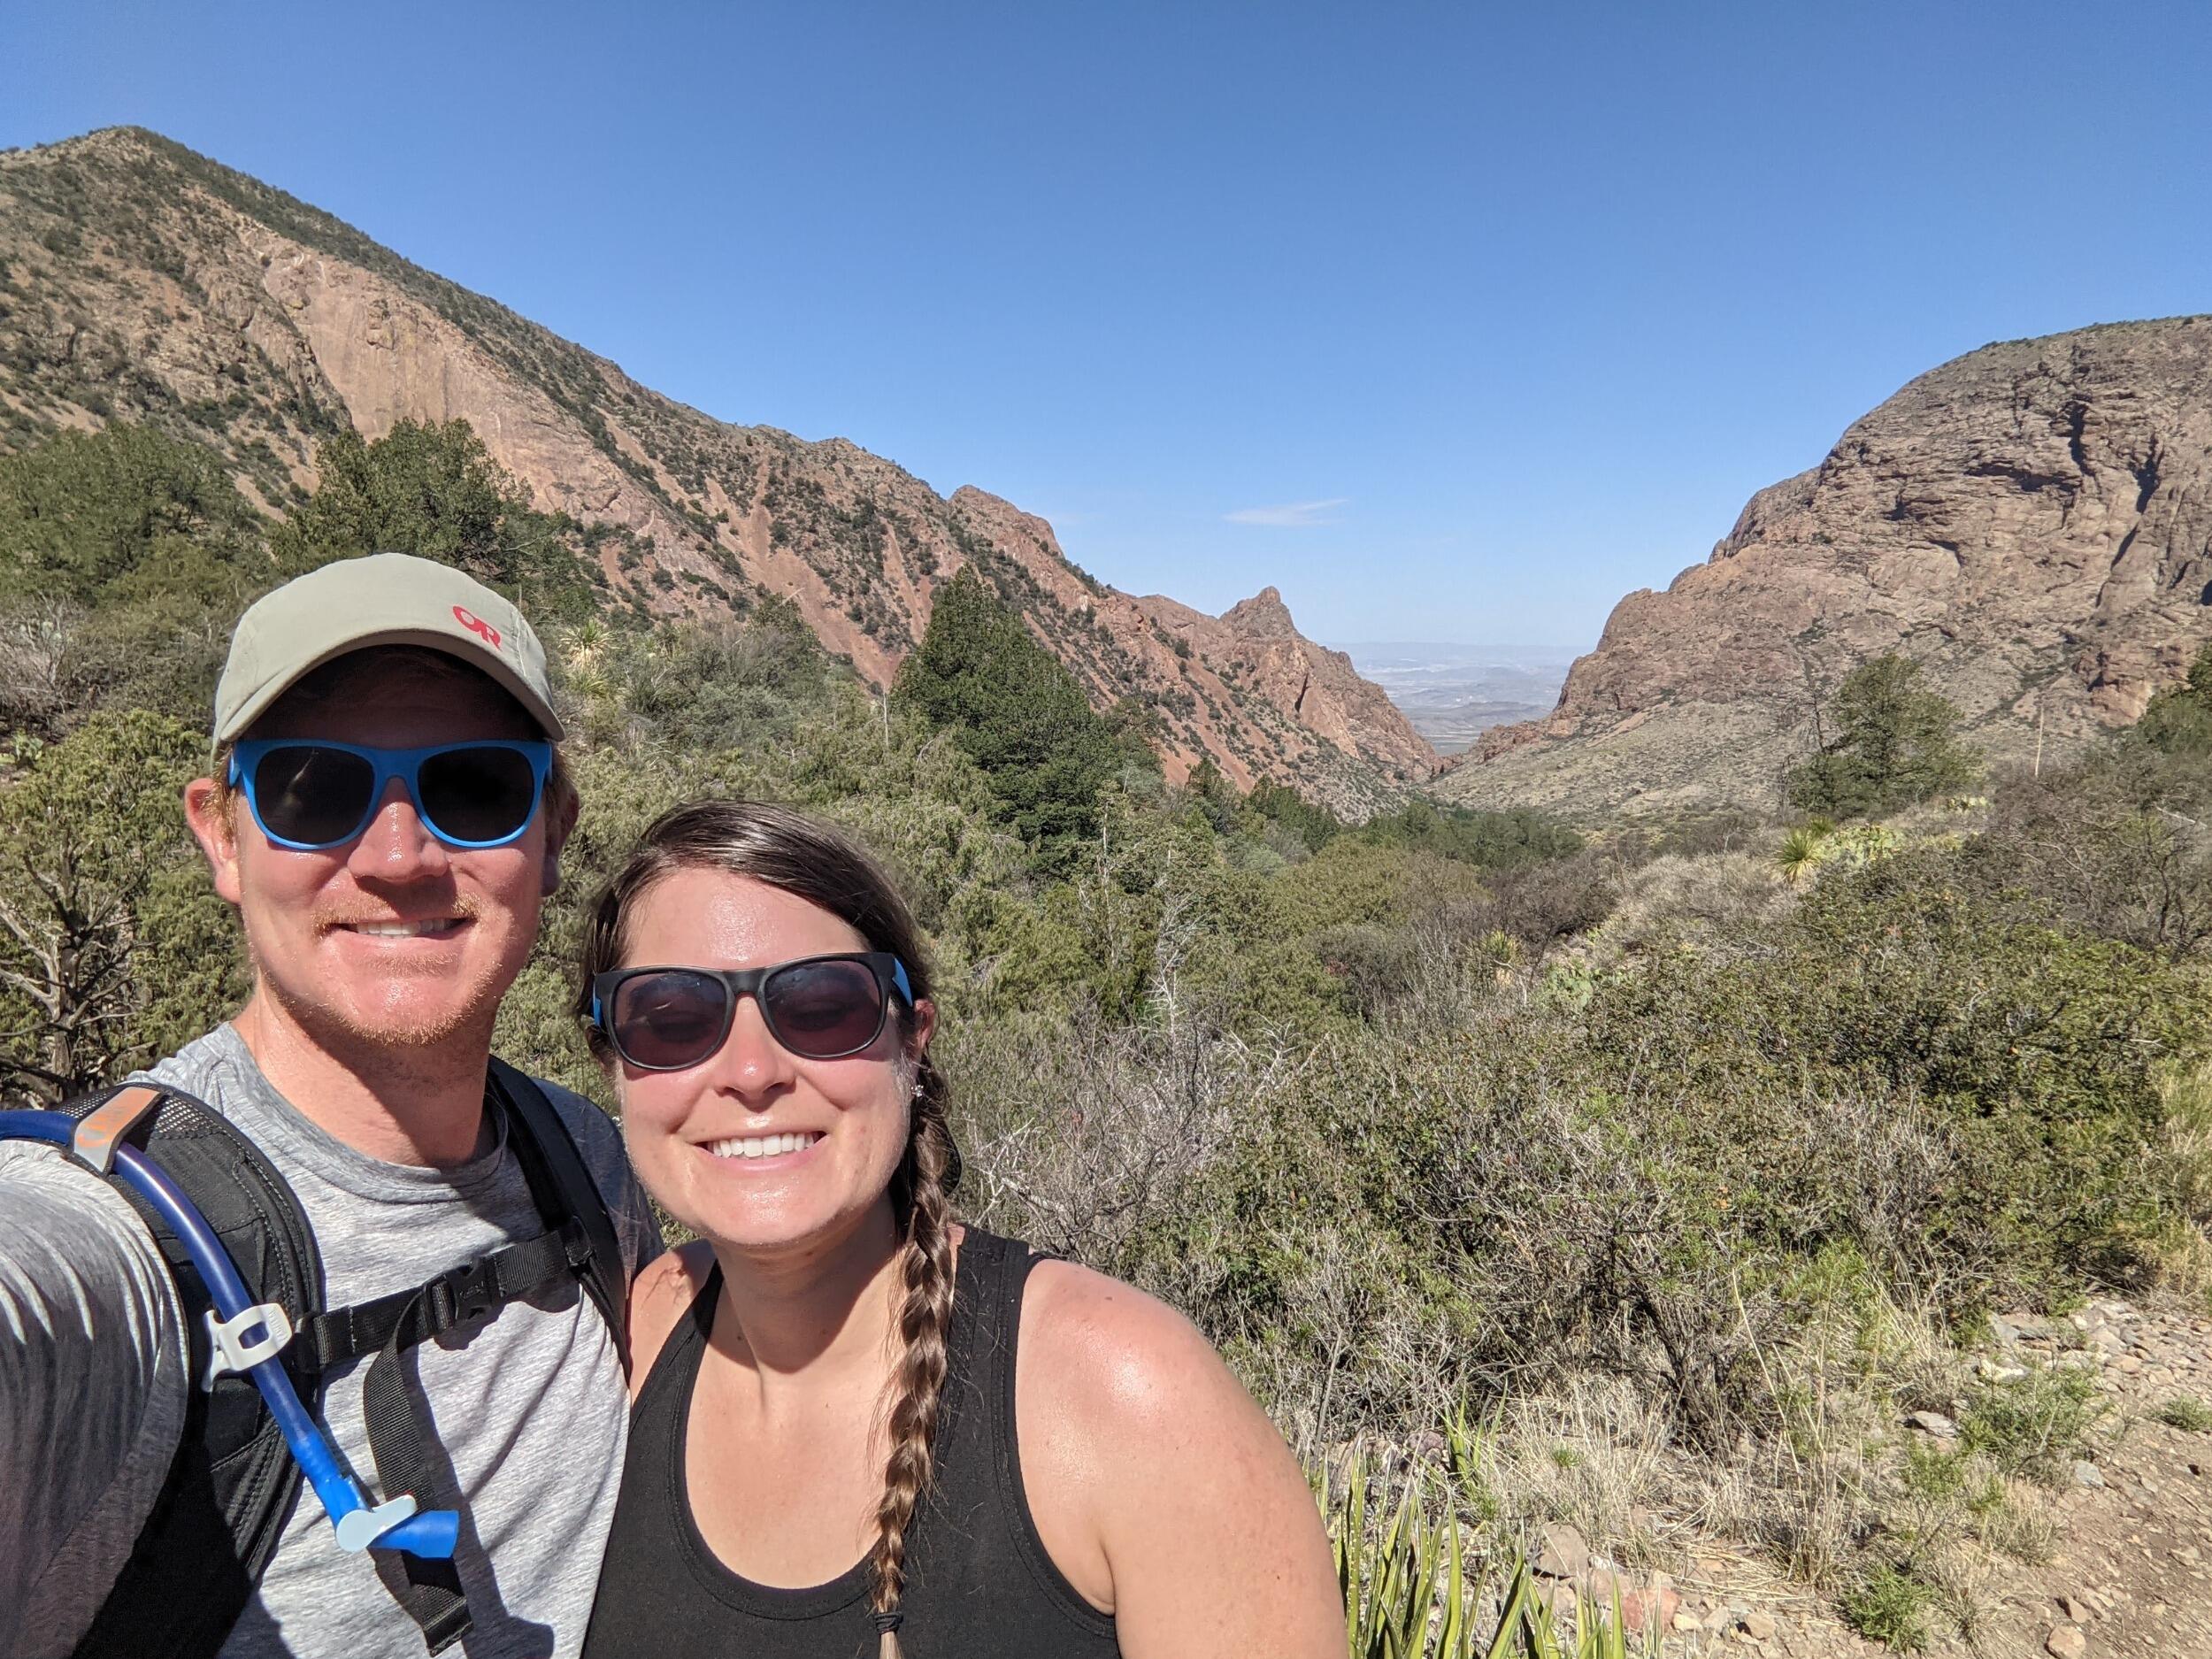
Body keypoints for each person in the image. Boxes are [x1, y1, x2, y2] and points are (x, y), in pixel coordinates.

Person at [0, 553, 661, 1659]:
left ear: (551, 832)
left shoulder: (587, 1161)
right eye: (317, 789)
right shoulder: (120, 1240)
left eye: (474, 788)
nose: (401, 857)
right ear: (222, 833)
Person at [574, 801, 1344, 1659]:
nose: (752, 1073)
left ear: (912, 1043)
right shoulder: (635, 1340)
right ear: (615, 1063)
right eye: (673, 1019)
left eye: (823, 1006)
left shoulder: (1128, 1399)